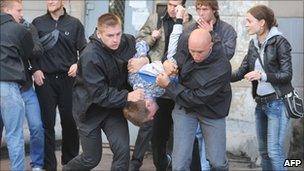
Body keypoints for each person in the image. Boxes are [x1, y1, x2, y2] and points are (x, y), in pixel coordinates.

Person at [62, 13, 145, 171]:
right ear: (99, 34)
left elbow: (143, 45)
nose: (115, 40)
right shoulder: (90, 55)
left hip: (112, 109)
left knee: (123, 152)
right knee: (91, 159)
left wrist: (144, 60)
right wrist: (128, 95)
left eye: (118, 34)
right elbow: (99, 94)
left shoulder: (125, 41)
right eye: (110, 35)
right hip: (88, 111)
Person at [128, 1, 195, 170]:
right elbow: (140, 41)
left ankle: (175, 163)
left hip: (179, 81)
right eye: (170, 4)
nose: (172, 8)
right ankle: (142, 163)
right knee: (154, 130)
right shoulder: (155, 19)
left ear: (183, 5)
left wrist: (184, 23)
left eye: (176, 5)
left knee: (179, 131)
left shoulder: (191, 23)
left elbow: (190, 50)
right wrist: (152, 39)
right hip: (160, 79)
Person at [157, 28, 232, 170]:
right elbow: (170, 56)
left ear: (210, 46)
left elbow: (196, 98)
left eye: (200, 52)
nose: (195, 56)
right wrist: (167, 63)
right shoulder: (185, 41)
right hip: (184, 106)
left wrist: (169, 85)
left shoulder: (221, 67)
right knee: (180, 163)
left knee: (217, 161)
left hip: (211, 109)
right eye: (192, 51)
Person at [231, 5, 292, 171]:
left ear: (262, 23)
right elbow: (241, 71)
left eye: (249, 21)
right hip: (261, 104)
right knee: (264, 152)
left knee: (274, 152)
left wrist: (262, 76)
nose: (246, 24)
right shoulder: (253, 44)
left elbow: (287, 74)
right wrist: (218, 76)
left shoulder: (280, 42)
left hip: (278, 103)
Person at [31, 0, 87, 170]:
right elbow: (30, 50)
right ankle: (49, 166)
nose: (50, 1)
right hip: (45, 80)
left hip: (68, 80)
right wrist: (35, 69)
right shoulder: (37, 23)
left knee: (70, 122)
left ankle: (70, 163)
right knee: (46, 124)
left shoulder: (75, 24)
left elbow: (84, 50)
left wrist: (78, 64)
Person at [125, 5, 186, 127]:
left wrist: (150, 61)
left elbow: (175, 77)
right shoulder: (131, 79)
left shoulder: (158, 90)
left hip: (175, 53)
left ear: (148, 104)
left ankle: (179, 19)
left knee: (172, 54)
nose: (153, 117)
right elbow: (141, 44)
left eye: (151, 115)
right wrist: (144, 56)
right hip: (168, 57)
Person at [0, 0, 34, 170]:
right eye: (19, 10)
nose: (21, 14)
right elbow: (29, 52)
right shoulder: (19, 29)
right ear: (6, 10)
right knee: (14, 135)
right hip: (8, 86)